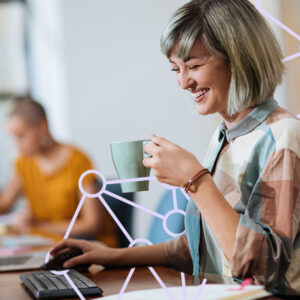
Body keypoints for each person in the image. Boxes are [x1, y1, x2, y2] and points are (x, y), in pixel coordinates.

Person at [50, 0, 300, 296]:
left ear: (239, 59)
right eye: (175, 69)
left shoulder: (282, 137)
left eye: (194, 66)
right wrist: (112, 255)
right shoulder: (227, 136)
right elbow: (203, 244)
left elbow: (262, 269)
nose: (184, 83)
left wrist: (195, 180)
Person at [0, 97, 118, 247]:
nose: (18, 146)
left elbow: (92, 224)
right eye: (14, 138)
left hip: (90, 246)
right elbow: (4, 204)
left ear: (42, 126)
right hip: (48, 245)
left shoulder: (78, 161)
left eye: (21, 136)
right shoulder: (23, 163)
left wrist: (38, 226)